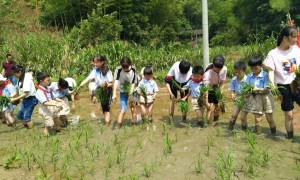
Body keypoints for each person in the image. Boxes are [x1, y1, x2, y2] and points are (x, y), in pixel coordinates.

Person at [263, 26, 300, 139]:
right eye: (293, 37)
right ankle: (290, 138)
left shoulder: (296, 49)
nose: (295, 40)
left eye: (296, 37)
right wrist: (273, 86)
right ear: (285, 38)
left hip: (296, 83)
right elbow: (271, 71)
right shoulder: (273, 54)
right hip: (283, 87)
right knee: (289, 114)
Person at [240, 56, 276, 135]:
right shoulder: (249, 76)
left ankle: (273, 134)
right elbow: (246, 89)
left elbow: (267, 88)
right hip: (256, 98)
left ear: (261, 66)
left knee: (270, 119)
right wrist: (248, 93)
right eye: (251, 68)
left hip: (267, 97)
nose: (253, 70)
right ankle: (258, 136)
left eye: (255, 68)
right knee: (257, 119)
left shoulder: (266, 75)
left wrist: (257, 89)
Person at [78, 55, 114, 126]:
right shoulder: (95, 70)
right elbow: (88, 78)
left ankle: (107, 124)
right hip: (99, 89)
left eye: (96, 62)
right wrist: (80, 85)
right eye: (94, 62)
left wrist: (106, 85)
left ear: (102, 62)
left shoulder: (108, 71)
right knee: (103, 107)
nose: (95, 64)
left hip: (107, 90)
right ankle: (107, 119)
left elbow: (112, 83)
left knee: (106, 108)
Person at [112, 57, 138, 128]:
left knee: (133, 108)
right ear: (121, 65)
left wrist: (131, 91)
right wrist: (114, 94)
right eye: (123, 67)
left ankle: (134, 126)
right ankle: (118, 127)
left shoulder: (133, 68)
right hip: (123, 91)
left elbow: (133, 81)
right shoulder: (118, 69)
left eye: (127, 67)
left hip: (133, 90)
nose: (125, 69)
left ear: (130, 65)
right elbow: (116, 81)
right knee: (123, 109)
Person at [203, 55, 227, 124]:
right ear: (213, 65)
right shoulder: (207, 73)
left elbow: (222, 82)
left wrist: (220, 92)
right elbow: (206, 89)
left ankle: (216, 120)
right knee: (209, 107)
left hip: (217, 87)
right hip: (209, 88)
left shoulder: (224, 69)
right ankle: (208, 124)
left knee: (217, 105)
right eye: (215, 68)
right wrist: (206, 101)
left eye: (219, 69)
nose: (217, 70)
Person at [228, 61, 247, 130]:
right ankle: (230, 129)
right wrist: (232, 94)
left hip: (246, 99)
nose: (237, 74)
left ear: (244, 71)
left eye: (239, 72)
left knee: (243, 118)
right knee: (233, 115)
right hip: (237, 98)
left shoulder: (247, 80)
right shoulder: (234, 79)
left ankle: (245, 132)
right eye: (235, 72)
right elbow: (232, 89)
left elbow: (250, 92)